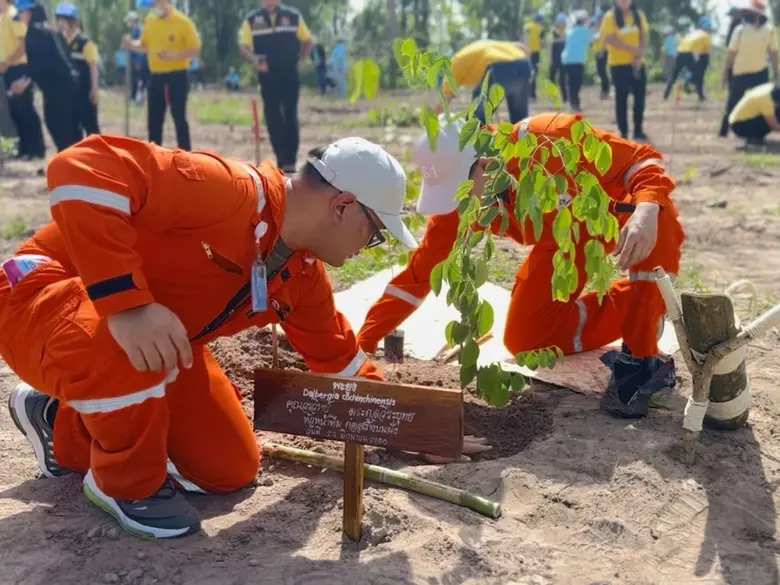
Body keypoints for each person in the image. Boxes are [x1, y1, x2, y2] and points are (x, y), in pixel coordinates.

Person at [2, 134, 419, 539]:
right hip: (37, 296)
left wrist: (413, 426)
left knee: (228, 467)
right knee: (118, 348)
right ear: (343, 206)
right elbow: (80, 167)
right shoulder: (227, 190)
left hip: (145, 346)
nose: (371, 247)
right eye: (376, 232)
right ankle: (125, 485)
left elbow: (339, 360)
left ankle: (56, 419)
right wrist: (128, 305)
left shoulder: (301, 274)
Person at [357, 114, 683, 419]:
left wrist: (647, 207)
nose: (458, 206)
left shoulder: (550, 139)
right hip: (565, 239)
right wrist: (364, 343)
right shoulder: (464, 201)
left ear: (484, 165)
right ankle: (632, 307)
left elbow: (642, 159)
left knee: (625, 399)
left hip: (633, 218)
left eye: (460, 192)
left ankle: (645, 320)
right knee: (525, 339)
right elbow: (420, 273)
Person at [238, 0, 314, 173]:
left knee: (290, 113)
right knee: (272, 115)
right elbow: (243, 46)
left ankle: (290, 161)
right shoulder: (252, 19)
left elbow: (308, 41)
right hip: (267, 74)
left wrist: (300, 61)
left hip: (289, 72)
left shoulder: (293, 16)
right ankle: (280, 158)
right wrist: (254, 60)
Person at [123, 0, 201, 151]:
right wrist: (131, 44)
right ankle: (154, 154)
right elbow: (144, 45)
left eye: (155, 4)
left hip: (177, 75)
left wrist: (175, 56)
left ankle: (185, 154)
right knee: (154, 118)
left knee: (179, 116)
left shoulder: (182, 22)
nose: (153, 8)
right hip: (156, 76)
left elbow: (195, 49)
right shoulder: (150, 21)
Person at [16, 0, 80, 153]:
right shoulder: (49, 30)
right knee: (70, 126)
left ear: (29, 13)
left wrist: (24, 82)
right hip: (69, 83)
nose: (20, 17)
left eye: (21, 13)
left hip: (56, 87)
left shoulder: (34, 33)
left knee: (57, 125)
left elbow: (37, 64)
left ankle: (68, 166)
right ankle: (75, 163)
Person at [719, 0, 778, 138]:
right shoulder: (740, 30)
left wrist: (775, 71)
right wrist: (725, 71)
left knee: (763, 103)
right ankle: (723, 132)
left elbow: (773, 52)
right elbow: (731, 53)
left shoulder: (769, 31)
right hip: (740, 72)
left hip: (760, 72)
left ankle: (757, 133)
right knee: (732, 103)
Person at [439, 40, 532, 124]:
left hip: (501, 67)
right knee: (520, 121)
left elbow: (445, 99)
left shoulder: (454, 64)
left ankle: (474, 140)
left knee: (476, 119)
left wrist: (434, 122)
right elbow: (521, 47)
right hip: (525, 65)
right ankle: (522, 140)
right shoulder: (498, 47)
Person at [0, 0, 45, 161]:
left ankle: (37, 149)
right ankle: (25, 148)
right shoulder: (3, 16)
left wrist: (7, 62)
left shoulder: (13, 15)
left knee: (25, 109)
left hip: (19, 67)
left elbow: (23, 44)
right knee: (15, 111)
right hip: (9, 69)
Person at [600, 0, 649, 141]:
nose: (624, 2)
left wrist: (639, 55)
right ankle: (623, 131)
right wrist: (632, 50)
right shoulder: (610, 17)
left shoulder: (638, 15)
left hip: (637, 63)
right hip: (618, 64)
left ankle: (638, 130)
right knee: (621, 99)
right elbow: (610, 38)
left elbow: (644, 36)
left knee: (639, 97)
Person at [54, 2, 101, 137]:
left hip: (84, 91)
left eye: (64, 20)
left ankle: (100, 155)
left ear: (74, 21)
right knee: (73, 127)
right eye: (59, 20)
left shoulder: (85, 42)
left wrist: (94, 89)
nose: (60, 23)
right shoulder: (60, 42)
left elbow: (93, 67)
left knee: (91, 126)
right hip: (69, 93)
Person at [664, 17, 713, 103]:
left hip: (680, 52)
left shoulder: (693, 33)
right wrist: (705, 65)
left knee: (674, 75)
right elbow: (706, 54)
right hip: (689, 54)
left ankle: (666, 94)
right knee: (698, 75)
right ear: (707, 28)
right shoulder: (706, 36)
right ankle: (700, 96)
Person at [562, 10, 594, 112]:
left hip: (566, 59)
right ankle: (575, 103)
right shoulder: (585, 30)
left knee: (571, 82)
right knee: (577, 82)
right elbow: (592, 42)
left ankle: (573, 102)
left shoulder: (570, 31)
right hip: (577, 60)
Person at [125, 10, 148, 104]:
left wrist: (139, 61)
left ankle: (139, 98)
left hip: (140, 60)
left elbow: (142, 46)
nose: (128, 23)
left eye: (129, 21)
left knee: (140, 80)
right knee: (134, 79)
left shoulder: (140, 30)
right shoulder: (134, 30)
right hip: (134, 59)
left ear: (133, 20)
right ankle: (133, 96)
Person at [525, 11, 544, 101]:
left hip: (526, 52)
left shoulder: (528, 26)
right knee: (534, 73)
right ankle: (532, 95)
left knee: (527, 73)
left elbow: (524, 37)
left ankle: (527, 94)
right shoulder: (540, 28)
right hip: (536, 53)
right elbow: (541, 42)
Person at [549, 12, 568, 103]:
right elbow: (550, 46)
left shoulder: (567, 32)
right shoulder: (553, 32)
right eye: (560, 21)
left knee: (562, 80)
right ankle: (552, 98)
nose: (561, 23)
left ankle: (565, 98)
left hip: (563, 60)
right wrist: (550, 59)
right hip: (554, 59)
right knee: (552, 79)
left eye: (563, 21)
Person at [592, 8, 610, 100]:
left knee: (602, 71)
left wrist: (602, 51)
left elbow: (605, 40)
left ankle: (605, 90)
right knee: (600, 71)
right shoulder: (596, 28)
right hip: (597, 51)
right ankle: (604, 90)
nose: (597, 20)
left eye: (599, 18)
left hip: (603, 51)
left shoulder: (604, 28)